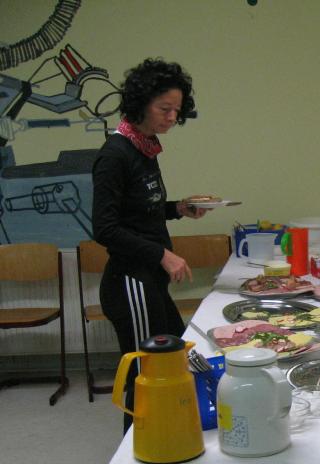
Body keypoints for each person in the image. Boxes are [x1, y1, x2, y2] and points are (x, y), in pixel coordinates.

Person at [92, 58, 211, 433]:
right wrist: (162, 254)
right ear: (141, 103)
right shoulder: (115, 155)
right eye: (165, 108)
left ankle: (167, 435)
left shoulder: (143, 148)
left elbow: (140, 211)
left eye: (177, 109)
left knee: (175, 357)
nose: (173, 117)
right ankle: (137, 449)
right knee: (145, 373)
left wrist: (178, 209)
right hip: (130, 283)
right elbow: (105, 228)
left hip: (149, 280)